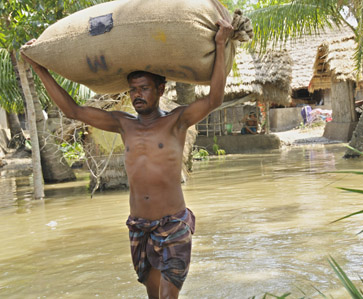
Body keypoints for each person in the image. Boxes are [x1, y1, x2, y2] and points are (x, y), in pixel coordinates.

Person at [22, 19, 234, 299]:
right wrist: (40, 68)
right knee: (153, 295)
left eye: (144, 88)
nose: (137, 95)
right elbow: (73, 110)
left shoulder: (177, 121)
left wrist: (220, 44)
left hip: (173, 224)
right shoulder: (124, 124)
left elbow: (214, 99)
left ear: (160, 90)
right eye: (133, 89)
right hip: (139, 225)